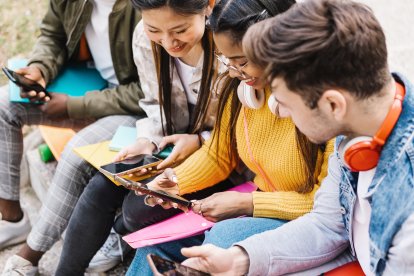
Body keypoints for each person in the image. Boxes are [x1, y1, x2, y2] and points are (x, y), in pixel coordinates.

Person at [180, 0, 414, 275]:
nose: (281, 111)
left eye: (285, 102)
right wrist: (240, 260)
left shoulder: (408, 217)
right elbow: (326, 225)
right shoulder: (356, 131)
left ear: (333, 105)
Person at [126, 0, 337, 275]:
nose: (234, 71)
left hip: (306, 221)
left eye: (242, 62)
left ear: (278, 45)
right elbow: (217, 154)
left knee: (224, 236)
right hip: (262, 204)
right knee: (154, 246)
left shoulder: (322, 106)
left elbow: (328, 207)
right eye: (227, 60)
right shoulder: (240, 89)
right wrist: (177, 182)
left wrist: (247, 204)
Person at [53, 0, 239, 274]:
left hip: (219, 158)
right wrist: (149, 140)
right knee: (102, 185)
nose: (168, 42)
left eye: (180, 29)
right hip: (169, 146)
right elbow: (153, 101)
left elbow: (242, 128)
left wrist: (200, 140)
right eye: (155, 29)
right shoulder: (143, 37)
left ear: (208, 6)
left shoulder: (229, 48)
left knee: (136, 210)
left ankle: (121, 234)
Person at [1, 0, 143, 274]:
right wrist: (40, 69)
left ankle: (29, 257)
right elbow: (52, 35)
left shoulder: (143, 8)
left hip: (135, 107)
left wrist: (73, 106)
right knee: (4, 105)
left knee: (76, 152)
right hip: (91, 84)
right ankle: (12, 218)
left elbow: (148, 91)